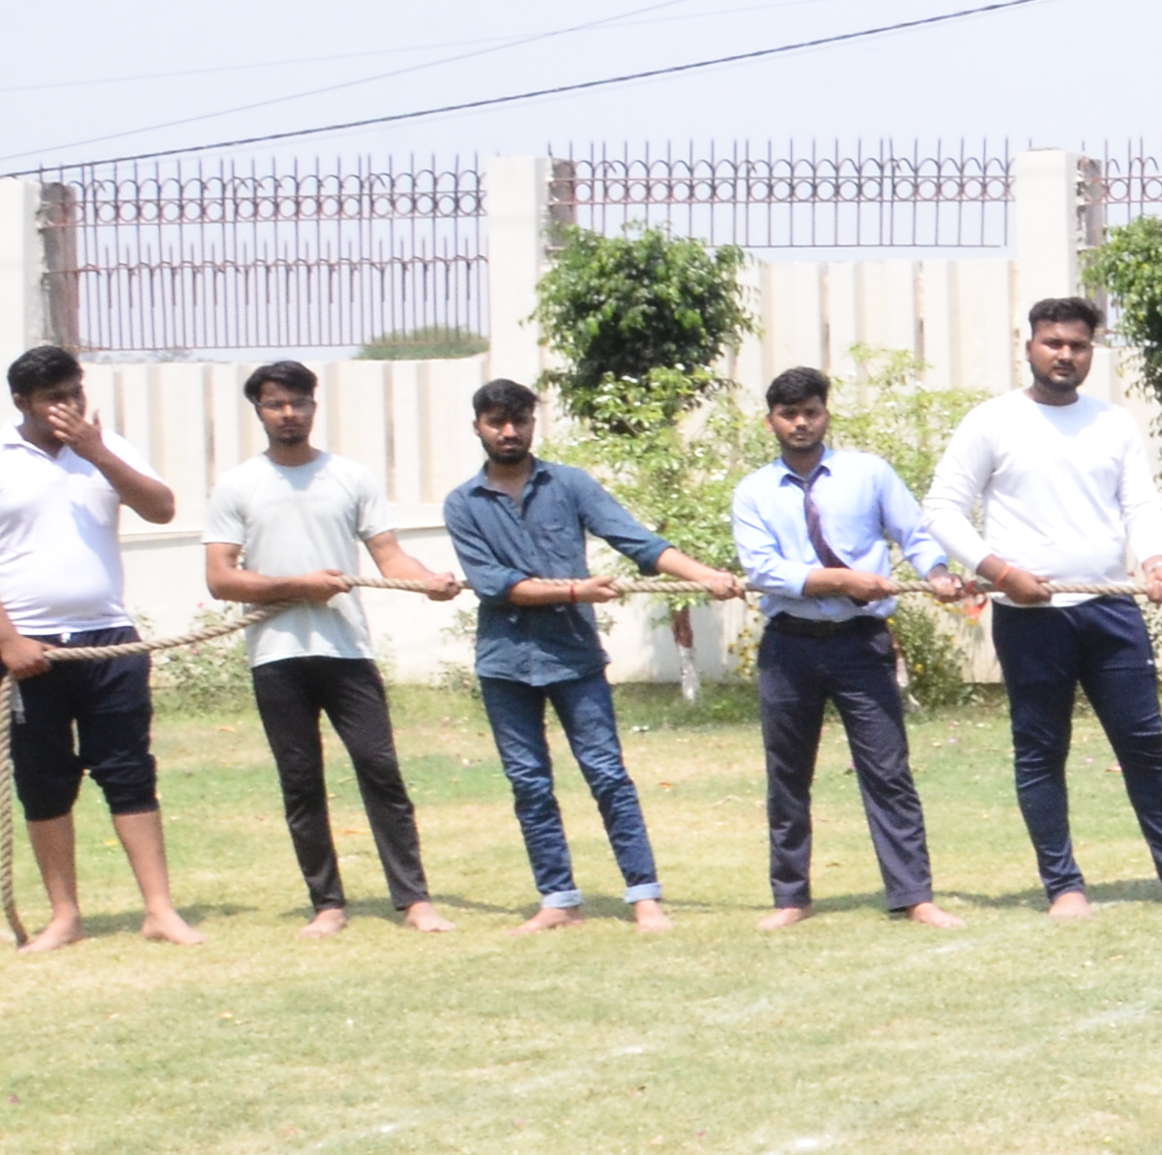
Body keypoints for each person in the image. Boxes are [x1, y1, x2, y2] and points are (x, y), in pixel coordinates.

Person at [932, 297, 1162, 919]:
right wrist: (1000, 573)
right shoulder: (991, 422)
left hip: (1110, 610)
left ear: (1091, 352)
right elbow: (942, 510)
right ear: (1030, 348)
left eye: (1077, 345)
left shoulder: (1113, 423)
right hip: (1031, 616)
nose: (1065, 355)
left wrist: (1156, 561)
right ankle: (1063, 886)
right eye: (1053, 343)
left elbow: (1141, 505)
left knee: (1145, 744)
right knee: (1041, 751)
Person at [439, 376, 744, 933]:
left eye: (520, 420)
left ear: (534, 423)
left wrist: (705, 575)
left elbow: (637, 542)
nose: (509, 432)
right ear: (478, 427)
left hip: (574, 657)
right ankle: (558, 900)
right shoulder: (463, 504)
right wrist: (576, 590)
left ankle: (644, 896)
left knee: (606, 773)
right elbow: (497, 584)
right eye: (496, 422)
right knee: (529, 782)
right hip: (505, 662)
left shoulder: (569, 485)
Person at [197, 357, 461, 935]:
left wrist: (429, 582)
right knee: (300, 781)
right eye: (275, 404)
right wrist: (299, 585)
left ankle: (414, 900)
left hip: (347, 651)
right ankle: (328, 905)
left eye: (298, 403)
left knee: (380, 770)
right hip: (275, 655)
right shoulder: (238, 485)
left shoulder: (351, 476)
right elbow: (220, 578)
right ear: (260, 411)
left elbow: (389, 557)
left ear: (314, 407)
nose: (288, 414)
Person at [727, 364, 973, 929]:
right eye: (789, 415)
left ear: (825, 414)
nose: (801, 424)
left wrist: (936, 573)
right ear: (772, 422)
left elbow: (914, 534)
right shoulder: (754, 491)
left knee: (887, 771)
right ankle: (791, 898)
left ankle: (914, 895)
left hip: (861, 643)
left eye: (811, 412)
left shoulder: (869, 473)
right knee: (788, 774)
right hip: (790, 646)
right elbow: (763, 568)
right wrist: (842, 581)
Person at [4, 347, 203, 950]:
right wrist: (8, 640)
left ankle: (160, 910)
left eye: (73, 392)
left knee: (128, 772)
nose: (67, 407)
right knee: (43, 782)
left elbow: (162, 508)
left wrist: (96, 452)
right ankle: (65, 915)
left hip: (108, 641)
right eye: (52, 399)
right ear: (22, 404)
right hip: (27, 648)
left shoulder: (106, 447)